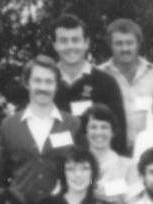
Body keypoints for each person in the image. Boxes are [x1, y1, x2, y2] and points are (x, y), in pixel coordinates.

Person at [0, 55, 80, 201]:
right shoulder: (10, 125)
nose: (43, 88)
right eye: (37, 81)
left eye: (49, 82)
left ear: (57, 85)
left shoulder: (73, 125)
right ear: (27, 83)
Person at [50, 13, 127, 153]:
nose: (70, 46)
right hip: (54, 167)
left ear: (86, 43)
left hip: (98, 169)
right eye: (63, 41)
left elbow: (119, 135)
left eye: (75, 40)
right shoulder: (45, 84)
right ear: (55, 45)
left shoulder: (106, 83)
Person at [98, 18, 153, 150]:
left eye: (130, 43)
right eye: (119, 43)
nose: (125, 48)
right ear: (110, 45)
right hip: (114, 152)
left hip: (151, 150)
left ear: (138, 44)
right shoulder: (99, 76)